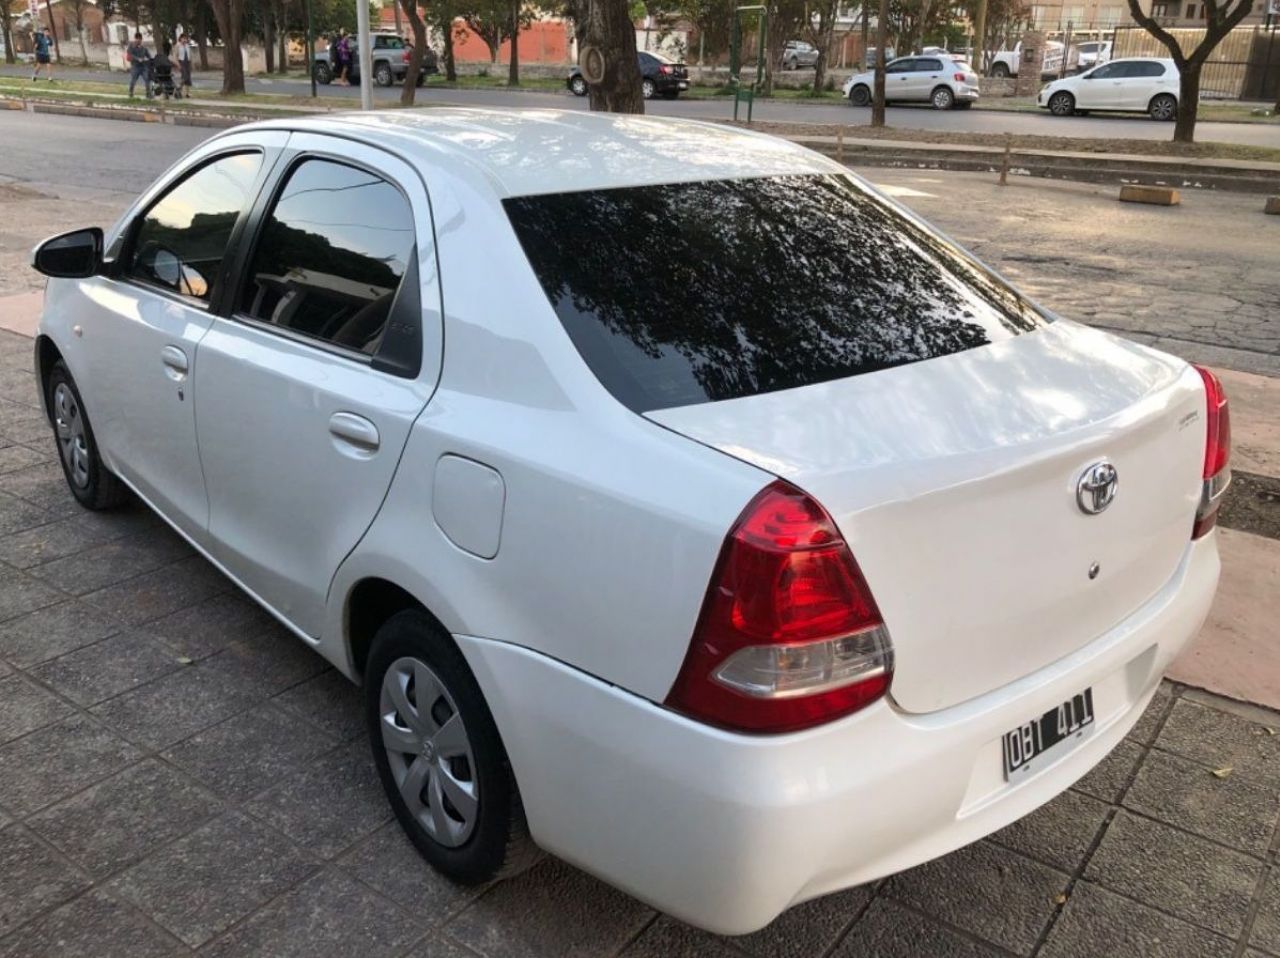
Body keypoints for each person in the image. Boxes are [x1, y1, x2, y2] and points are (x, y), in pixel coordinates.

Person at [126, 32, 151, 98]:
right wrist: (137, 59)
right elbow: (130, 54)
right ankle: (131, 92)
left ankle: (148, 93)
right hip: (135, 66)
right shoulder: (131, 46)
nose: (139, 41)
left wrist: (149, 59)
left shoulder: (143, 47)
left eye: (140, 39)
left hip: (143, 66)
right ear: (135, 39)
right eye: (137, 39)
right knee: (133, 80)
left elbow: (148, 55)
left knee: (147, 79)